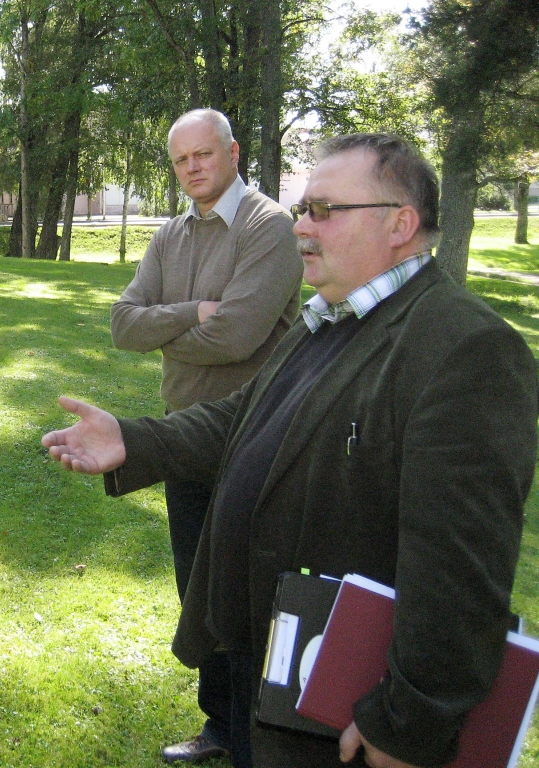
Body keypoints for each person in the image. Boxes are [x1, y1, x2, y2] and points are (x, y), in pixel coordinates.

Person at [43, 133, 538, 767]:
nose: (302, 226)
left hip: (352, 701)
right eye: (303, 208)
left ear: (400, 224)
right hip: (277, 664)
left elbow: (459, 572)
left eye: (324, 210)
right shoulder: (331, 315)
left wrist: (409, 724)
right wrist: (135, 440)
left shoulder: (465, 349)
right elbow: (243, 420)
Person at [110, 108, 302, 767]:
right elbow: (122, 324)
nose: (193, 166)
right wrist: (190, 313)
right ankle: (219, 727)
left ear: (232, 152)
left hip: (256, 442)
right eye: (181, 159)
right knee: (200, 593)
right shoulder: (171, 235)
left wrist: (165, 330)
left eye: (204, 154)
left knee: (251, 599)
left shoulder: (269, 227)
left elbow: (240, 335)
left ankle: (260, 739)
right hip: (182, 441)